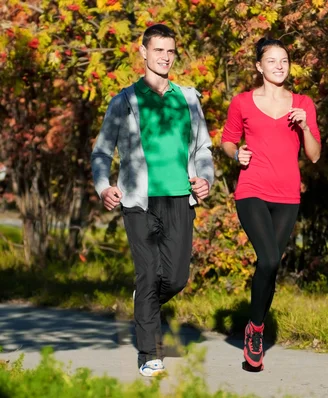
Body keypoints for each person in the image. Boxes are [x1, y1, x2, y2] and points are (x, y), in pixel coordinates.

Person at [91, 24, 214, 377]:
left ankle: (143, 306)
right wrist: (103, 187)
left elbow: (203, 147)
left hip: (180, 197)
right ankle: (149, 352)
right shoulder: (124, 100)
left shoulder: (188, 97)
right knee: (148, 275)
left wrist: (205, 178)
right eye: (158, 50)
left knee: (176, 278)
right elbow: (102, 151)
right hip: (138, 200)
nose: (164, 57)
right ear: (142, 52)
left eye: (170, 51)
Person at [220, 37, 321, 370]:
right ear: (259, 66)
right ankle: (256, 331)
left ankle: (255, 324)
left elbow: (314, 155)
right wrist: (238, 154)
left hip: (288, 195)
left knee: (271, 265)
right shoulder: (243, 102)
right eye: (272, 61)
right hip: (252, 190)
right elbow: (228, 140)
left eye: (285, 61)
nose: (280, 66)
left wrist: (305, 126)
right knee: (266, 258)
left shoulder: (303, 103)